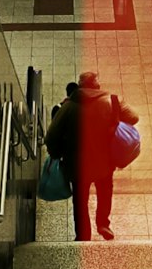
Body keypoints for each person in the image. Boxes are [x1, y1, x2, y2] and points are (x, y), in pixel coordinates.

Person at [45, 70, 138, 242]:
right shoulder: (112, 101)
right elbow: (134, 117)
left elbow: (51, 137)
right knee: (105, 192)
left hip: (77, 166)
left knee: (80, 202)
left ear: (80, 87)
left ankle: (83, 236)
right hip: (105, 162)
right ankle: (103, 223)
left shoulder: (67, 107)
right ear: (97, 86)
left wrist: (57, 154)